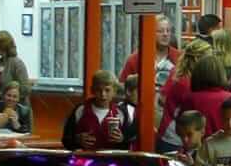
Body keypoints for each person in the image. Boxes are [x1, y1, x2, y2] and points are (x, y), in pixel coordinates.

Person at [119, 18, 183, 150]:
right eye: (160, 31)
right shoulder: (135, 59)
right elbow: (122, 87)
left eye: (168, 31)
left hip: (170, 119)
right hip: (141, 117)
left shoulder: (179, 58)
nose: (165, 34)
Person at [62, 70, 134, 151]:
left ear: (114, 91)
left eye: (107, 90)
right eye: (98, 90)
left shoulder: (121, 113)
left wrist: (122, 139)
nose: (103, 94)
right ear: (92, 90)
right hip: (85, 161)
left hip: (111, 161)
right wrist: (77, 140)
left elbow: (128, 143)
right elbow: (66, 140)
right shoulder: (80, 110)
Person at [0, 31, 32, 101]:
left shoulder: (17, 64)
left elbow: (25, 90)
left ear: (2, 45)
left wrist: (2, 95)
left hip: (15, 108)